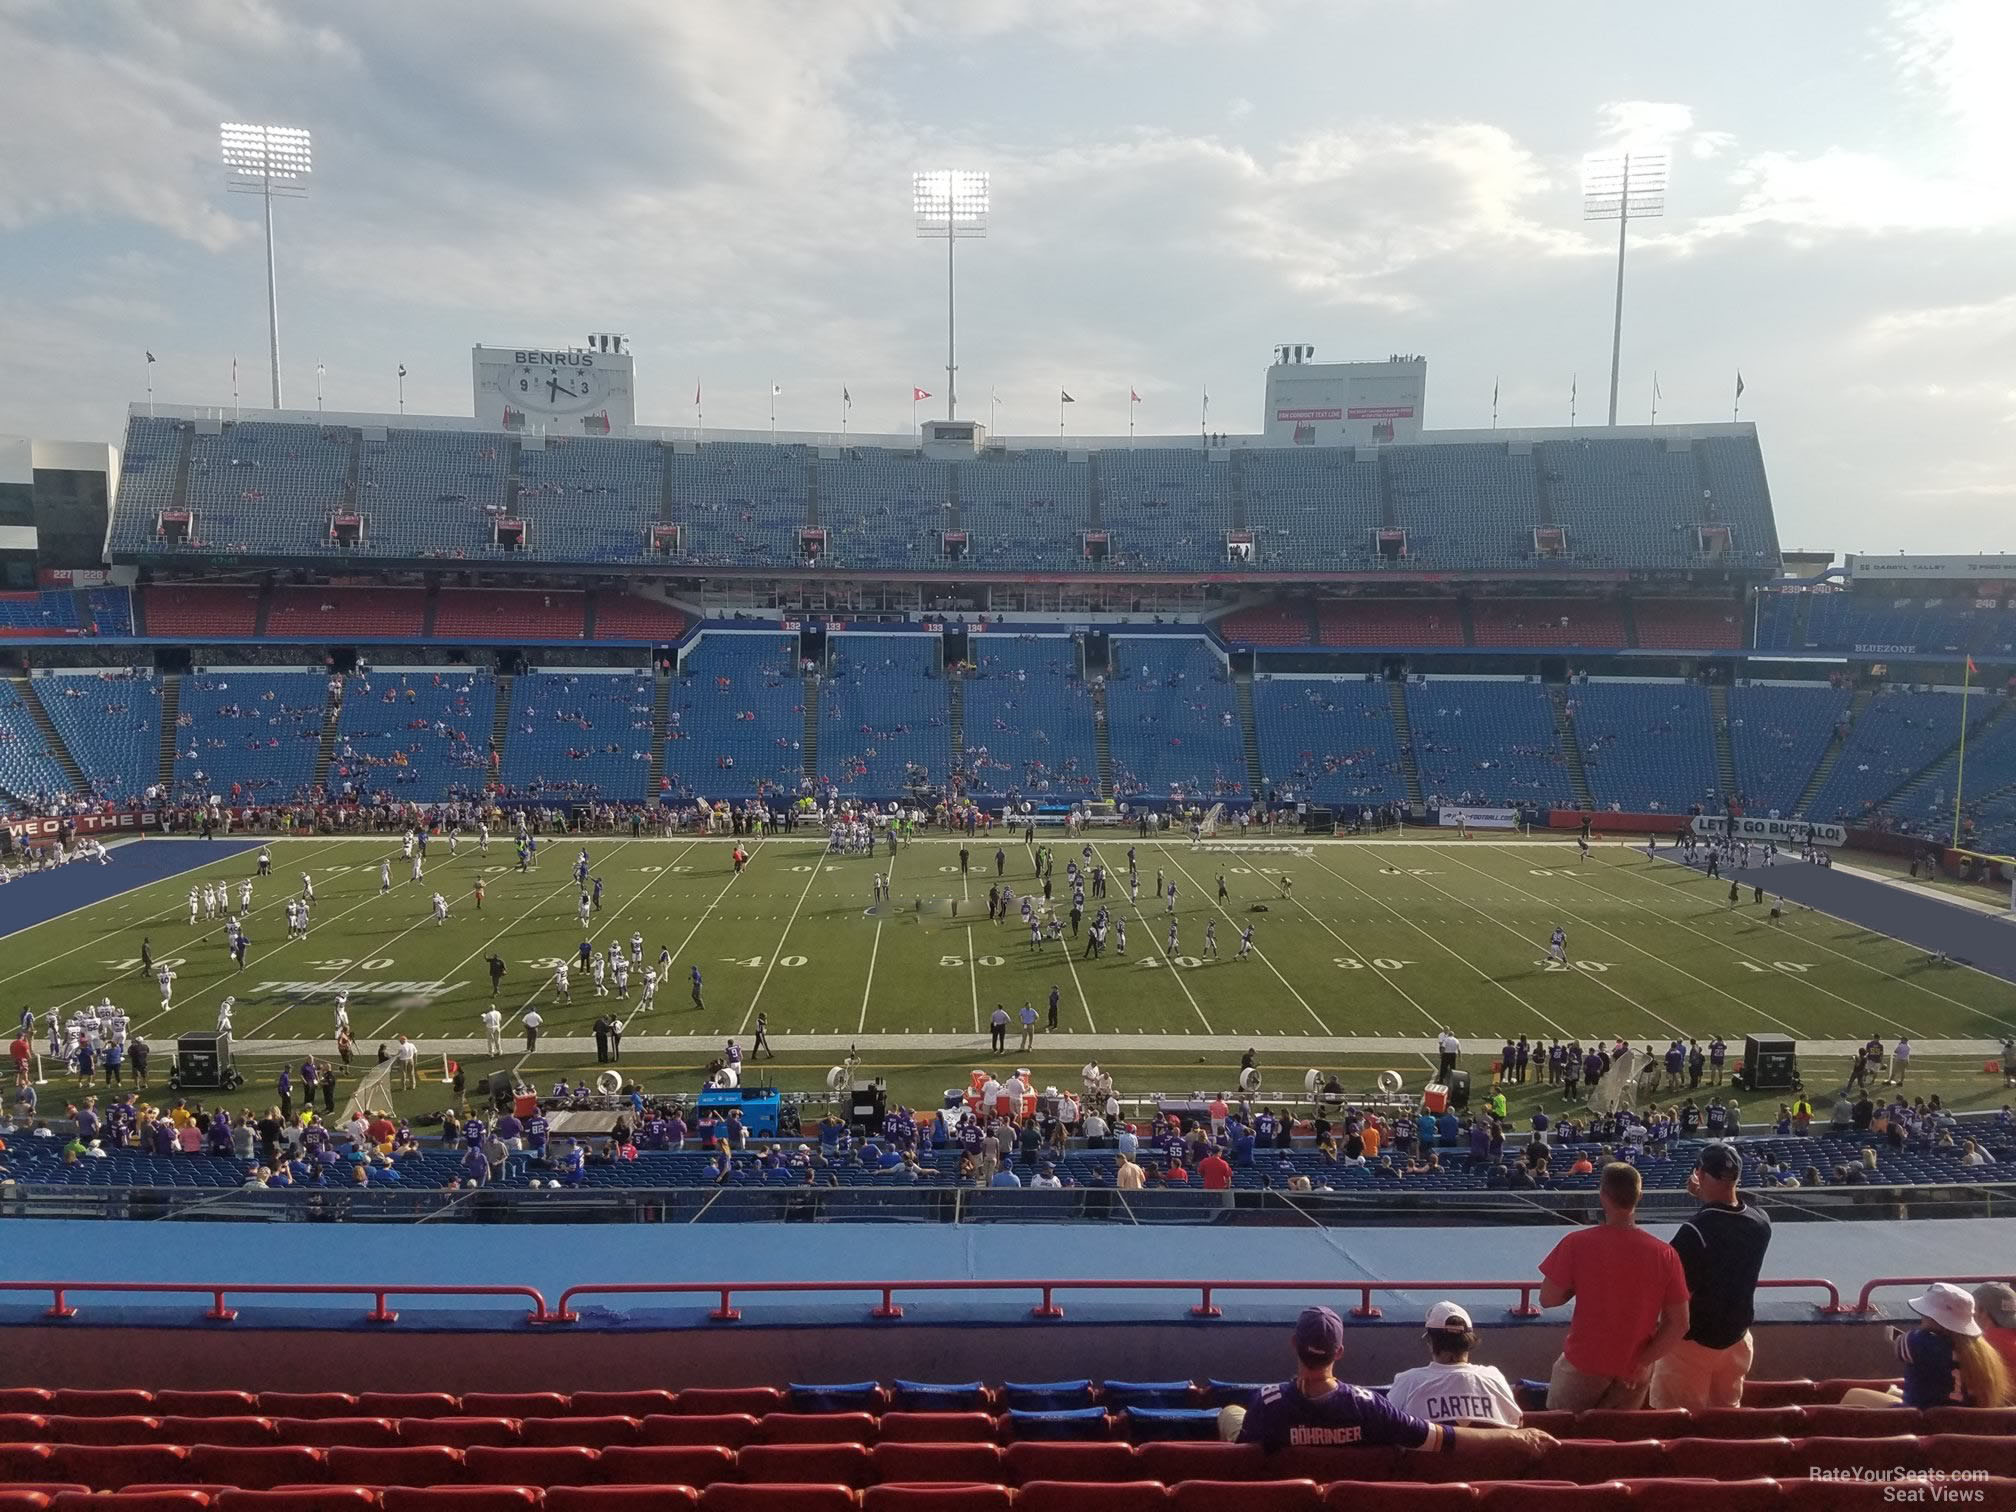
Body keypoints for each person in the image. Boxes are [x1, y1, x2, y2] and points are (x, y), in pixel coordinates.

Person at [1221, 1307, 1553, 1456]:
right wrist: (1515, 1438)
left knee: (1230, 1412)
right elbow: (1444, 1437)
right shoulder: (1372, 1409)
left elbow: (1245, 1456)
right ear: (1339, 1352)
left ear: (1294, 1344)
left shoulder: (1266, 1403)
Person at [1537, 1162, 1692, 1410]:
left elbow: (1548, 1298)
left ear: (1603, 1196)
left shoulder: (1576, 1244)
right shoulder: (1665, 1254)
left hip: (1582, 1365)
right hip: (1634, 1373)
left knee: (1563, 1438)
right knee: (1618, 1444)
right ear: (1639, 1197)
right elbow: (1680, 1323)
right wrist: (1642, 1363)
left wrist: (1580, 1282)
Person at [1650, 1142, 1772, 1409]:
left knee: (1677, 1426)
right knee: (1725, 1424)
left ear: (1701, 1175)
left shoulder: (1693, 1233)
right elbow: (1736, 1213)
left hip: (1692, 1347)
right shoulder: (1761, 1223)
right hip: (1736, 1341)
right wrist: (1705, 1195)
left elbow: (1670, 1294)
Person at [1840, 1283, 2012, 1408]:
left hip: (1919, 1420)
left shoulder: (1919, 1342)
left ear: (1931, 1318)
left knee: (1853, 1395)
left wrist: (1914, 1332)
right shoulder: (1985, 1352)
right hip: (1963, 1424)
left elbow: (1900, 1346)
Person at [1385, 1301, 1524, 1427]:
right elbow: (1517, 1424)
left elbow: (1385, 1426)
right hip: (1488, 1455)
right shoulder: (1494, 1378)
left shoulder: (1408, 1381)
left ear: (1430, 1341)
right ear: (1469, 1342)